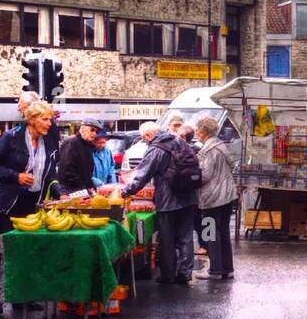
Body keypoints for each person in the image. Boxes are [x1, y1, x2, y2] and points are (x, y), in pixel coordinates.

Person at [0, 99, 60, 314]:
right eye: (45, 119)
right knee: (4, 250)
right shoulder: (11, 138)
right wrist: (15, 176)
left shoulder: (49, 140)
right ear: (32, 120)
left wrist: (57, 190)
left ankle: (22, 298)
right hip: (6, 203)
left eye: (50, 119)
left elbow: (51, 171)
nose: (49, 124)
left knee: (28, 250)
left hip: (31, 203)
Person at [121, 120, 199, 284]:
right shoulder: (179, 140)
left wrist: (126, 192)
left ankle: (168, 275)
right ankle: (185, 272)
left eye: (144, 138)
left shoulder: (156, 149)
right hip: (189, 196)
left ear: (149, 135)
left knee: (167, 238)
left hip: (168, 200)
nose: (145, 141)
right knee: (186, 236)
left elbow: (142, 176)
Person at [195, 115, 238, 280]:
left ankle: (214, 270)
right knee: (224, 232)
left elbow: (205, 175)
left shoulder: (209, 150)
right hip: (227, 196)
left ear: (204, 132)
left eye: (199, 130)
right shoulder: (221, 146)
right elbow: (231, 166)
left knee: (210, 233)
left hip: (212, 198)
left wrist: (193, 174)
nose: (197, 133)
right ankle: (227, 268)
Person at [58, 118, 103, 193]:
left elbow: (87, 174)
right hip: (70, 191)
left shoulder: (88, 146)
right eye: (92, 130)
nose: (94, 134)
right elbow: (67, 172)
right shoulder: (72, 143)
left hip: (82, 191)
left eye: (96, 131)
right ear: (82, 129)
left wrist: (90, 187)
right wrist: (83, 188)